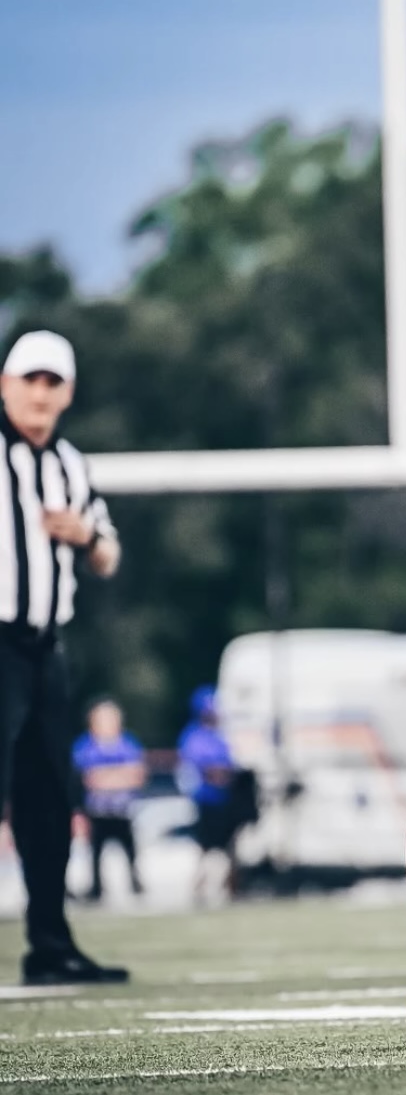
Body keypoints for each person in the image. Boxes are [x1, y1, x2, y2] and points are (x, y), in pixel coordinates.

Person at [0, 329, 129, 985]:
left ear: (68, 392)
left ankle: (48, 943)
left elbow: (108, 554)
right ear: (5, 384)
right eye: (31, 379)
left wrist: (83, 535)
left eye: (54, 382)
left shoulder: (70, 466)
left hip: (47, 650)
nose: (41, 393)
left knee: (49, 800)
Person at [72, 697, 146, 901]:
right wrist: (119, 776)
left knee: (131, 852)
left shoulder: (128, 743)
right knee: (95, 854)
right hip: (98, 812)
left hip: (123, 811)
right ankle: (96, 889)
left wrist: (107, 777)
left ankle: (136, 884)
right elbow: (89, 779)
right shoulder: (85, 745)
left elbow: (137, 775)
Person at [176, 685, 239, 901]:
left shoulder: (219, 735)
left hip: (224, 801)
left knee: (229, 848)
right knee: (205, 849)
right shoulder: (194, 736)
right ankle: (199, 887)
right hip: (206, 801)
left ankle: (230, 887)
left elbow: (228, 769)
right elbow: (212, 772)